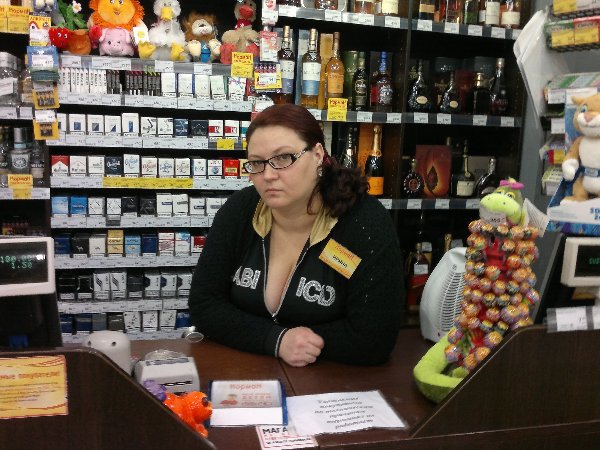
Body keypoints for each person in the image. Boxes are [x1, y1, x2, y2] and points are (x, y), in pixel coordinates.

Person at [188, 104, 404, 367]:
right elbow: (204, 303)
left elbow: (374, 338)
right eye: (257, 163)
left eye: (283, 158)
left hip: (331, 381)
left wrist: (300, 344)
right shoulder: (240, 211)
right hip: (244, 373)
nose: (268, 175)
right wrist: (276, 340)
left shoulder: (364, 223)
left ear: (317, 155)